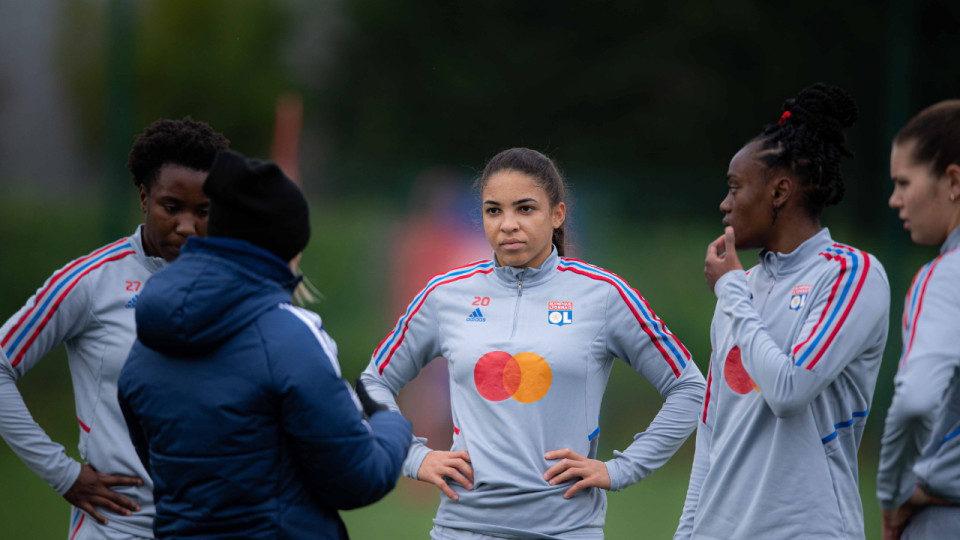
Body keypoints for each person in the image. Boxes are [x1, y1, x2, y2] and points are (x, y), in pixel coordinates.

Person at [360, 147, 706, 539]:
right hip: (463, 529)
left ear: (557, 214)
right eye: (494, 211)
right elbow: (373, 383)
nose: (508, 224)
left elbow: (689, 387)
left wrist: (621, 469)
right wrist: (413, 456)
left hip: (568, 530)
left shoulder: (604, 295)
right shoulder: (445, 294)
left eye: (525, 209)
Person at [117, 150, 413, 539]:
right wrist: (392, 422)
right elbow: (357, 480)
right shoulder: (290, 337)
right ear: (288, 246)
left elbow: (172, 471)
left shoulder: (146, 343)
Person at [675, 83, 890, 540]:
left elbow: (789, 390)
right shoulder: (741, 287)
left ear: (780, 191)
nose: (724, 204)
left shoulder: (852, 274)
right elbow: (712, 432)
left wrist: (731, 289)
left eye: (735, 188)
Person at [0, 117, 228, 539]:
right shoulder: (90, 282)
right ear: (144, 199)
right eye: (171, 207)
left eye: (203, 211)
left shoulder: (232, 289)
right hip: (114, 528)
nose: (186, 227)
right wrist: (63, 474)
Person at [876, 100, 960, 539]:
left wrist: (894, 495)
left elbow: (915, 402)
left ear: (952, 180)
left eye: (903, 182)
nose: (895, 199)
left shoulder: (946, 276)